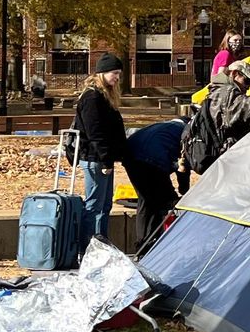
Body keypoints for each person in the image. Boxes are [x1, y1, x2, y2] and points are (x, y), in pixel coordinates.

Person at [184, 60, 250, 175]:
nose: (248, 87)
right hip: (226, 163)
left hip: (221, 162)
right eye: (246, 81)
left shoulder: (217, 91)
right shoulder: (226, 93)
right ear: (234, 74)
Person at [73, 54, 128, 240]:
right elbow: (95, 132)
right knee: (94, 205)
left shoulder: (103, 96)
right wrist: (106, 160)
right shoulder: (92, 98)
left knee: (105, 206)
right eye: (114, 73)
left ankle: (101, 243)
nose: (117, 77)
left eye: (119, 73)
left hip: (103, 158)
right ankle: (88, 247)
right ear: (102, 73)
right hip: (94, 158)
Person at [125, 118, 187, 248]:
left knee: (145, 200)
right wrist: (184, 190)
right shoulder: (186, 132)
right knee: (167, 200)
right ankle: (156, 245)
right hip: (152, 159)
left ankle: (142, 244)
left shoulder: (165, 126)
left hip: (130, 155)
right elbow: (184, 166)